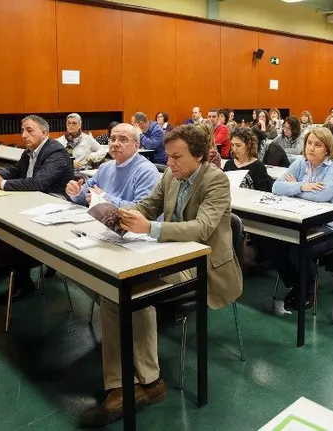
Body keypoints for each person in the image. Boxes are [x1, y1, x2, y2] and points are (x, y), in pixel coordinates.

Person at [81, 124, 243, 427]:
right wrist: (121, 215)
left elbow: (201, 228)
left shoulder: (216, 180)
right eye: (168, 157)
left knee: (133, 290)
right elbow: (148, 205)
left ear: (198, 156)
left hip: (203, 266)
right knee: (114, 291)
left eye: (176, 157)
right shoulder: (170, 174)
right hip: (170, 257)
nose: (169, 164)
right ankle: (122, 384)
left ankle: (150, 381)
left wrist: (150, 228)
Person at [0, 115, 74, 300]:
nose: (24, 135)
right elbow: (16, 170)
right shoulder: (29, 151)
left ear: (44, 132)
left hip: (56, 205)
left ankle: (23, 280)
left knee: (19, 230)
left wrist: (3, 184)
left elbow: (39, 183)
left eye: (29, 130)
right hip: (34, 200)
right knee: (6, 224)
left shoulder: (56, 152)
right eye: (22, 130)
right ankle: (13, 268)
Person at [265, 126, 333, 310]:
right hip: (301, 220)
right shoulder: (302, 162)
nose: (311, 148)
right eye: (309, 143)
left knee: (298, 250)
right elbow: (276, 187)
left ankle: (309, 290)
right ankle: (296, 283)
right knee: (271, 241)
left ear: (327, 148)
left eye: (317, 145)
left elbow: (322, 196)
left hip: (332, 226)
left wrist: (294, 188)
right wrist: (303, 187)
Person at [66, 123, 160, 208]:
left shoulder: (147, 171)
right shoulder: (104, 167)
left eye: (123, 139)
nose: (115, 144)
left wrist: (104, 198)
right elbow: (85, 196)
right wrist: (76, 192)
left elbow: (142, 210)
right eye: (113, 139)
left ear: (136, 146)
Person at [223, 127, 271, 192]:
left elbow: (262, 193)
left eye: (238, 145)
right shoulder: (229, 164)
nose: (234, 149)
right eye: (232, 145)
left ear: (248, 145)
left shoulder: (258, 167)